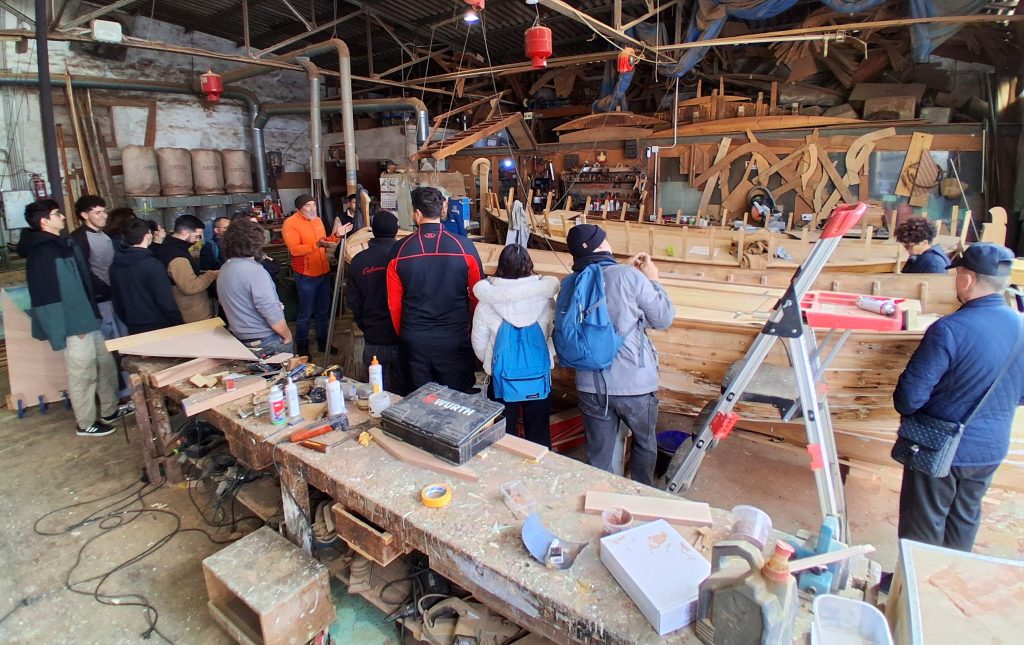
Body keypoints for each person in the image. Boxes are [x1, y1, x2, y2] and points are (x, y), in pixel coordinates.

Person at [893, 243, 1024, 551]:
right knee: (963, 521)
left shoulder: (949, 329)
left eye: (958, 275)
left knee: (923, 525)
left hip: (939, 446)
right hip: (991, 447)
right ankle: (949, 575)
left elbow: (909, 398)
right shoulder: (1021, 326)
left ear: (967, 279)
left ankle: (910, 580)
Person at [563, 224, 675, 486]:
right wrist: (652, 280)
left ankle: (601, 497)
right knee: (644, 444)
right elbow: (662, 318)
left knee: (598, 454)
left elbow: (599, 282)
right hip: (634, 384)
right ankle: (641, 494)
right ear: (602, 245)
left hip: (590, 385)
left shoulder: (569, 282)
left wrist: (622, 267)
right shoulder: (630, 277)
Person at [22, 200, 130, 437]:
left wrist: (91, 315)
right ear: (44, 221)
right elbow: (47, 297)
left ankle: (110, 410)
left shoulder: (62, 243)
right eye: (56, 214)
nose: (62, 217)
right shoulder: (43, 252)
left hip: (88, 318)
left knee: (105, 365)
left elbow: (81, 283)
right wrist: (65, 328)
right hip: (74, 325)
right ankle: (85, 423)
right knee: (83, 374)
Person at [387, 186, 483, 392]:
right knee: (457, 400)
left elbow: (394, 303)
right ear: (442, 211)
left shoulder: (399, 250)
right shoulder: (464, 247)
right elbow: (478, 295)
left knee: (420, 401)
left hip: (415, 339)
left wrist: (404, 334)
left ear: (417, 213)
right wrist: (469, 327)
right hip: (454, 337)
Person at [472, 245, 559, 447]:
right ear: (529, 265)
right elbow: (556, 335)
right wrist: (546, 355)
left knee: (503, 433)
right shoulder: (545, 299)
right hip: (537, 374)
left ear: (501, 265)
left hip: (501, 375)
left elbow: (478, 342)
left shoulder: (487, 302)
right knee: (538, 432)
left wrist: (490, 362)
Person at [70, 195, 132, 400]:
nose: (104, 216)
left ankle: (129, 389)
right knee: (110, 348)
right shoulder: (80, 238)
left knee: (123, 344)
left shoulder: (102, 234)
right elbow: (84, 272)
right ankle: (120, 393)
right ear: (84, 215)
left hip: (114, 297)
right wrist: (105, 289)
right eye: (97, 212)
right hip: (102, 301)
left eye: (104, 211)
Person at [348, 210, 407, 394]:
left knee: (375, 393)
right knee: (404, 396)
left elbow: (354, 302)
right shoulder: (404, 257)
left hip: (373, 336)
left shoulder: (359, 260)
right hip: (402, 336)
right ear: (396, 231)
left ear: (373, 231)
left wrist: (366, 325)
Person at [217, 218, 293, 357]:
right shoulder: (255, 271)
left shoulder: (225, 268)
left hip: (240, 338)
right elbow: (268, 309)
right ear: (257, 243)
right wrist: (287, 334)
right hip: (265, 340)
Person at [282, 194, 346, 357]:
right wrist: (316, 244)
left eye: (314, 205)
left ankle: (323, 342)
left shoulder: (317, 221)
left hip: (323, 271)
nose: (313, 209)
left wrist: (337, 235)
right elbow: (294, 250)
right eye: (308, 205)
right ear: (299, 208)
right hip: (306, 275)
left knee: (323, 311)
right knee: (305, 313)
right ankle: (302, 345)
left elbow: (325, 242)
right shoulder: (290, 224)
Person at [110, 219, 183, 334]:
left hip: (132, 325)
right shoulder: (152, 264)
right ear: (148, 235)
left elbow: (117, 300)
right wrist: (178, 323)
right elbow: (165, 300)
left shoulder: (115, 265)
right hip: (159, 324)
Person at [152, 214, 219, 322]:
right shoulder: (176, 255)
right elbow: (190, 286)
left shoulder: (169, 248)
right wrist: (212, 274)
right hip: (192, 315)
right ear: (184, 233)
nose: (198, 240)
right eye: (196, 236)